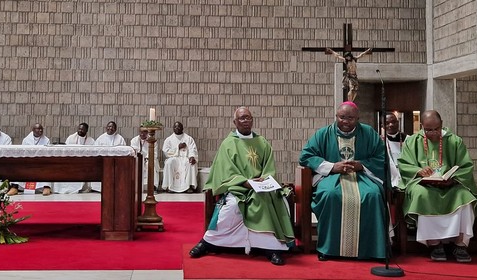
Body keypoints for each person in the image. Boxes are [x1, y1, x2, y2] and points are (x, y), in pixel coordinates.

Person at [189, 107, 294, 266]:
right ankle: (208, 242)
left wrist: (264, 180)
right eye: (242, 118)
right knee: (230, 209)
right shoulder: (228, 144)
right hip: (238, 188)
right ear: (235, 122)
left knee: (270, 202)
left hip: (262, 189)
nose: (246, 121)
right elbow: (225, 171)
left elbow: (269, 168)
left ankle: (272, 248)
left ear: (252, 120)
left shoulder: (262, 142)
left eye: (248, 118)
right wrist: (245, 182)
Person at [299, 101, 387, 260]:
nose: (345, 121)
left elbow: (381, 157)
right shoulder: (323, 134)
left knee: (373, 195)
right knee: (330, 194)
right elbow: (306, 156)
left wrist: (361, 165)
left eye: (350, 118)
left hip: (362, 176)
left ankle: (372, 250)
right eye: (342, 117)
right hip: (332, 176)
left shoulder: (368, 133)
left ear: (358, 118)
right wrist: (332, 166)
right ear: (336, 116)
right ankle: (328, 249)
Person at [397, 110, 477, 263]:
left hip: (451, 184)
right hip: (424, 185)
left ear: (441, 124)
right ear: (422, 126)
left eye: (436, 128)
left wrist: (453, 178)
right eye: (428, 129)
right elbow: (404, 164)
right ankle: (435, 244)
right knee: (421, 195)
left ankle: (460, 245)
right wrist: (418, 171)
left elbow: (466, 166)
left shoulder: (454, 141)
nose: (433, 133)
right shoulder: (413, 141)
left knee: (465, 196)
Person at [8, 123, 52, 196]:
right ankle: (15, 187)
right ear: (33, 130)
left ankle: (46, 187)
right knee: (18, 166)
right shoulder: (26, 140)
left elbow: (46, 153)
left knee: (47, 167)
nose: (40, 130)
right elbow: (23, 153)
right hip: (28, 162)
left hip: (40, 162)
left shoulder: (46, 140)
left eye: (41, 129)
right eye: (38, 129)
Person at [54, 122, 95, 194]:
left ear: (86, 131)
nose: (80, 131)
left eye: (82, 129)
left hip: (84, 163)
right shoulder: (71, 138)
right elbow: (66, 150)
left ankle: (82, 187)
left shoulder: (91, 141)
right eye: (79, 129)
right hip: (71, 161)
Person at [161, 121, 198, 193]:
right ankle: (170, 186)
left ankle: (189, 186)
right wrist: (177, 147)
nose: (177, 128)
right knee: (169, 162)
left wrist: (192, 157)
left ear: (182, 128)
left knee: (191, 163)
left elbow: (192, 149)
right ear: (173, 128)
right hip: (174, 158)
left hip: (185, 158)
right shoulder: (169, 139)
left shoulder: (189, 139)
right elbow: (166, 151)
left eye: (178, 126)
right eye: (175, 127)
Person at [92, 121, 126, 192]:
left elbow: (124, 151)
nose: (110, 128)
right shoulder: (101, 138)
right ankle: (99, 189)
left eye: (112, 127)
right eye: (109, 126)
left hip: (116, 163)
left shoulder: (120, 139)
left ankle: (116, 188)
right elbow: (95, 150)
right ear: (106, 128)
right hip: (103, 162)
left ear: (115, 129)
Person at [383, 112, 407, 188]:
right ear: (382, 126)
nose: (391, 125)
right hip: (389, 177)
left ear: (398, 122)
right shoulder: (381, 142)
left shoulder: (409, 139)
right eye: (387, 123)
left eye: (393, 122)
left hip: (406, 176)